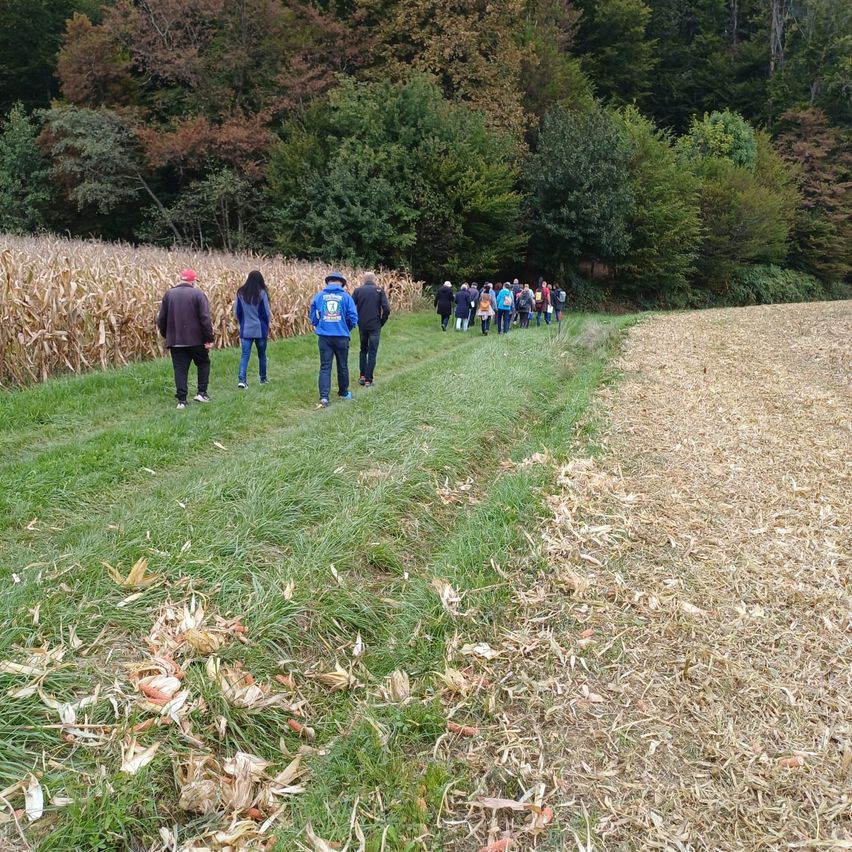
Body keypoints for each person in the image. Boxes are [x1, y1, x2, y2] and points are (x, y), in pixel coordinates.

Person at [157, 268, 214, 409]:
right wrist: (209, 339)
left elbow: (161, 319)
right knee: (203, 363)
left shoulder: (169, 294)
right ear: (193, 281)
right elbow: (205, 319)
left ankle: (182, 400)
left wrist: (167, 335)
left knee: (180, 369)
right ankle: (201, 393)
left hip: (175, 340)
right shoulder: (198, 294)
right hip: (196, 340)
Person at [309, 271, 359, 408]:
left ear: (328, 282)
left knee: (325, 366)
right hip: (342, 336)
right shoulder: (346, 297)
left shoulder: (319, 296)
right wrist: (346, 328)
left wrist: (317, 324)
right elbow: (353, 317)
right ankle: (343, 393)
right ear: (342, 283)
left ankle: (324, 397)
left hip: (324, 337)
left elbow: (312, 314)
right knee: (342, 365)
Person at [352, 271, 390, 387]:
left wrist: (355, 320)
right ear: (374, 279)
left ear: (364, 279)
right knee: (372, 352)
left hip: (362, 325)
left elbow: (351, 307)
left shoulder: (358, 291)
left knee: (363, 350)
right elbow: (386, 309)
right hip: (375, 325)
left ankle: (362, 376)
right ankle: (369, 380)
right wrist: (381, 322)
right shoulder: (379, 291)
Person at [234, 270, 271, 389]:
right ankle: (263, 379)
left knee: (245, 355)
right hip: (260, 329)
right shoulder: (262, 293)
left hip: (246, 329)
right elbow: (266, 312)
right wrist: (267, 324)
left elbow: (237, 312)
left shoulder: (240, 293)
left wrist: (242, 322)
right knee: (262, 355)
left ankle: (242, 380)